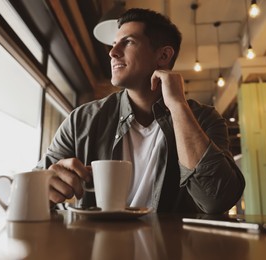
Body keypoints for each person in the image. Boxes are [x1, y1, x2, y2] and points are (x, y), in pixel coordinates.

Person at [36, 8, 245, 214]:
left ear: (163, 56)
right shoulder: (81, 120)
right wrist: (47, 186)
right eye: (114, 44)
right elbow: (35, 190)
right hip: (98, 245)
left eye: (128, 42)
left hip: (172, 247)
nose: (112, 52)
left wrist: (178, 106)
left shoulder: (204, 119)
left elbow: (217, 200)